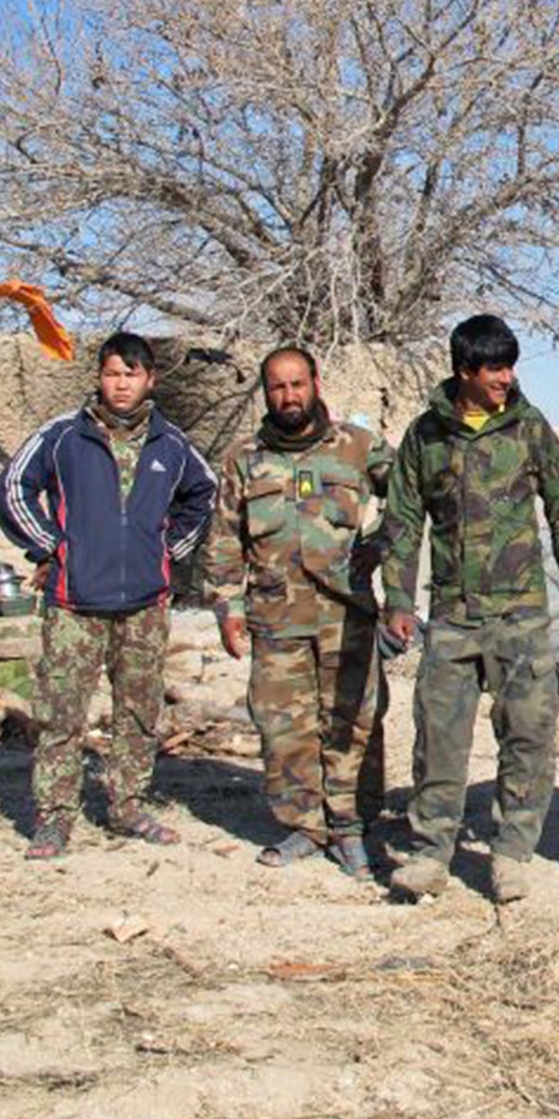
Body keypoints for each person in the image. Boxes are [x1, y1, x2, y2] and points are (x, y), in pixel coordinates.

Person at [379, 315, 559, 902]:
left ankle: (512, 852)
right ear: (464, 370)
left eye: (510, 365)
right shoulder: (426, 436)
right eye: (495, 367)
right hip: (451, 616)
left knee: (529, 734)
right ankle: (430, 854)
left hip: (520, 614)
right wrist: (397, 598)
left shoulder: (528, 428)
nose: (508, 377)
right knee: (438, 738)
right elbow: (402, 522)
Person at [0, 330, 217, 858]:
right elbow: (11, 488)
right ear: (100, 377)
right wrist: (50, 547)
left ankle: (128, 806)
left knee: (137, 712)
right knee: (61, 713)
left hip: (144, 604)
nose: (121, 384)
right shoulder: (63, 436)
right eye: (113, 373)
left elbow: (203, 497)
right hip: (74, 603)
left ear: (150, 380)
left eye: (131, 375)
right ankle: (54, 817)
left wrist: (169, 552)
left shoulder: (171, 444)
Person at [203, 346, 395, 879]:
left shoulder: (357, 447)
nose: (289, 396)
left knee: (352, 719)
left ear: (315, 383)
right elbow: (224, 536)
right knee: (283, 723)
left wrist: (377, 547)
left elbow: (409, 497)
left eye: (297, 384)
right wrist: (227, 604)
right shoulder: (244, 458)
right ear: (266, 392)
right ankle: (305, 826)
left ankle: (350, 825)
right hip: (275, 615)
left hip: (346, 613)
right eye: (277, 387)